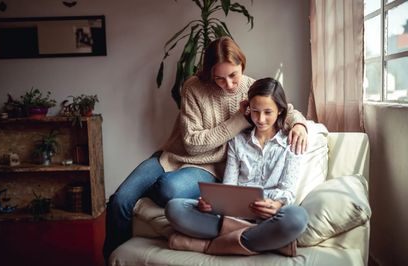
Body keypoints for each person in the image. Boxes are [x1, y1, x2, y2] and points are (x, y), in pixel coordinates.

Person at [103, 37, 309, 259]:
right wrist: (238, 120)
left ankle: (222, 242)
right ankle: (112, 258)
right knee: (120, 200)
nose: (229, 84)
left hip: (209, 167)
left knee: (168, 190)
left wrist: (299, 124)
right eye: (219, 78)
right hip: (172, 157)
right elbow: (191, 144)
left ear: (242, 65)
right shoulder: (193, 87)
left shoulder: (251, 88)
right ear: (209, 72)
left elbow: (283, 109)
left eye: (233, 75)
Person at [164, 77, 308, 257]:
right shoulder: (238, 141)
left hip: (269, 218)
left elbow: (288, 191)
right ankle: (267, 242)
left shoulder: (291, 142)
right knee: (174, 208)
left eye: (268, 112)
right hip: (233, 217)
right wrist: (213, 204)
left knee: (297, 218)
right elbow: (229, 186)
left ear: (280, 110)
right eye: (255, 111)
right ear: (248, 109)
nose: (261, 119)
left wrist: (277, 205)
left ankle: (210, 246)